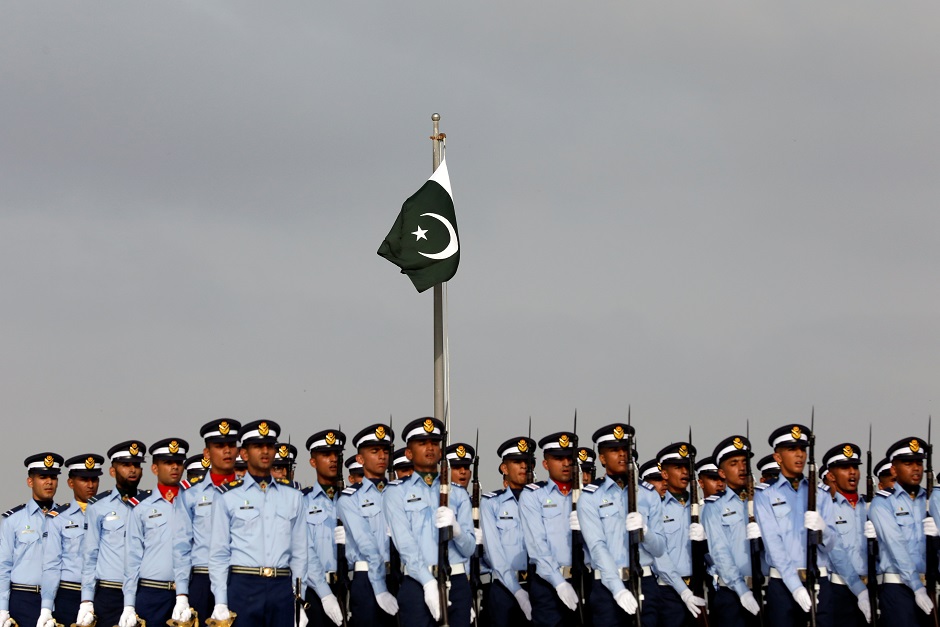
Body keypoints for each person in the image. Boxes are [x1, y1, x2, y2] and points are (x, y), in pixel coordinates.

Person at [754, 424, 865, 627]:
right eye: (792, 449)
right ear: (778, 457)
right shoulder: (765, 494)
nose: (800, 455)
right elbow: (774, 545)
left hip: (819, 581)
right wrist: (795, 587)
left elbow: (831, 544)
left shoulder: (820, 493)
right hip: (783, 583)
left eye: (802, 449)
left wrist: (823, 530)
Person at [208, 420, 307, 627]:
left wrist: (299, 597)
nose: (265, 451)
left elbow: (299, 552)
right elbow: (219, 553)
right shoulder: (227, 496)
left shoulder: (293, 496)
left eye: (270, 446)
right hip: (244, 584)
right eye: (257, 446)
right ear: (244, 454)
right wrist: (220, 601)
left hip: (281, 585)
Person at [384, 417, 475, 627]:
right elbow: (405, 544)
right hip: (417, 583)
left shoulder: (458, 494)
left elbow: (469, 549)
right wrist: (428, 583)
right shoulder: (396, 492)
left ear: (441, 451)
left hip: (456, 581)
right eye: (422, 443)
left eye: (434, 443)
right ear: (409, 453)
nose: (430, 448)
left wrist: (458, 530)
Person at [578, 423, 667, 626]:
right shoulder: (591, 497)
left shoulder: (648, 494)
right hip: (607, 585)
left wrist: (645, 532)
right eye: (614, 450)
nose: (622, 455)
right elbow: (597, 547)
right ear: (602, 458)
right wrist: (618, 589)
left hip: (645, 582)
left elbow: (660, 548)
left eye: (625, 449)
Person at [173, 418, 242, 623]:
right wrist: (182, 595)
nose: (227, 451)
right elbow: (181, 546)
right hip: (203, 578)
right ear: (207, 453)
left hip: (239, 576)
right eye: (219, 446)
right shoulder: (190, 494)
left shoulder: (251, 492)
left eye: (231, 445)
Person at [77, 440, 149, 627]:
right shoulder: (98, 506)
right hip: (110, 592)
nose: (132, 470)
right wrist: (86, 600)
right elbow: (90, 555)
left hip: (143, 591)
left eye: (137, 465)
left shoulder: (151, 504)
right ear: (112, 471)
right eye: (126, 465)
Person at [122, 438, 190, 627]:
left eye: (178, 463)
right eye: (168, 463)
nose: (175, 467)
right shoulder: (141, 508)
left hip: (188, 592)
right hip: (152, 592)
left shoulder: (193, 503)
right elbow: (132, 557)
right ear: (154, 468)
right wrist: (129, 604)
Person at [336, 424, 399, 626]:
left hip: (400, 575)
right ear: (361, 459)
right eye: (375, 451)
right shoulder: (349, 499)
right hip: (367, 579)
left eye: (385, 451)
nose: (382, 456)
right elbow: (365, 543)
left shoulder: (400, 493)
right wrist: (380, 588)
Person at [868, 437, 933, 625]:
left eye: (919, 463)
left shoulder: (930, 499)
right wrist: (916, 586)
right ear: (894, 470)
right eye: (908, 463)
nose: (916, 468)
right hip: (898, 588)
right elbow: (896, 546)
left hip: (929, 586)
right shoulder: (883, 502)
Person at [518, 431, 581, 627]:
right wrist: (559, 583)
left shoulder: (587, 496)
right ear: (546, 464)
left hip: (583, 581)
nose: (565, 463)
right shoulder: (532, 496)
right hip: (547, 584)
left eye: (569, 458)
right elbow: (537, 545)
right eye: (558, 458)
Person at [700, 435, 760, 627]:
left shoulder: (763, 500)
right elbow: (720, 552)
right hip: (732, 594)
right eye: (734, 463)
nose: (742, 467)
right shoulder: (714, 506)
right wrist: (742, 590)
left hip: (764, 588)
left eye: (744, 462)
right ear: (722, 473)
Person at [0, 452, 64, 627]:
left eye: (53, 477)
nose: (49, 482)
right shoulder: (13, 520)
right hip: (23, 599)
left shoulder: (66, 518)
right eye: (43, 477)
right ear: (30, 482)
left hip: (60, 600)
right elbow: (3, 567)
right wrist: (2, 609)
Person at [40, 454, 103, 627]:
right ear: (71, 483)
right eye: (84, 479)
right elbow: (51, 564)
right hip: (69, 593)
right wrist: (46, 607)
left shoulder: (108, 514)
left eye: (94, 479)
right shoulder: (58, 518)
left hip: (102, 593)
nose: (90, 485)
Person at [650, 442, 708, 626]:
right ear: (665, 474)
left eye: (687, 467)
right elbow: (659, 556)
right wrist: (683, 590)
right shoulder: (656, 508)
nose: (684, 472)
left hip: (699, 586)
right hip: (669, 591)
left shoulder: (702, 507)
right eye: (678, 467)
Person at [481, 436, 537, 625]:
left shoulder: (541, 501)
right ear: (504, 468)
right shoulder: (491, 503)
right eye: (517, 462)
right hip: (504, 587)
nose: (524, 467)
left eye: (528, 462)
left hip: (537, 584)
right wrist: (517, 591)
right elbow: (494, 553)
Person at [301, 428, 348, 627]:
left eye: (336, 455)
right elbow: (304, 551)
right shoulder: (302, 502)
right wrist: (325, 594)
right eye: (326, 455)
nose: (333, 460)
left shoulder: (351, 501)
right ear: (313, 462)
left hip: (348, 586)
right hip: (315, 590)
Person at [821, 443, 870, 626]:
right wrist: (858, 589)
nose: (852, 472)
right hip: (840, 589)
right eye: (844, 468)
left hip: (871, 586)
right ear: (831, 475)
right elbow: (836, 552)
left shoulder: (869, 506)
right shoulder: (828, 507)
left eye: (855, 467)